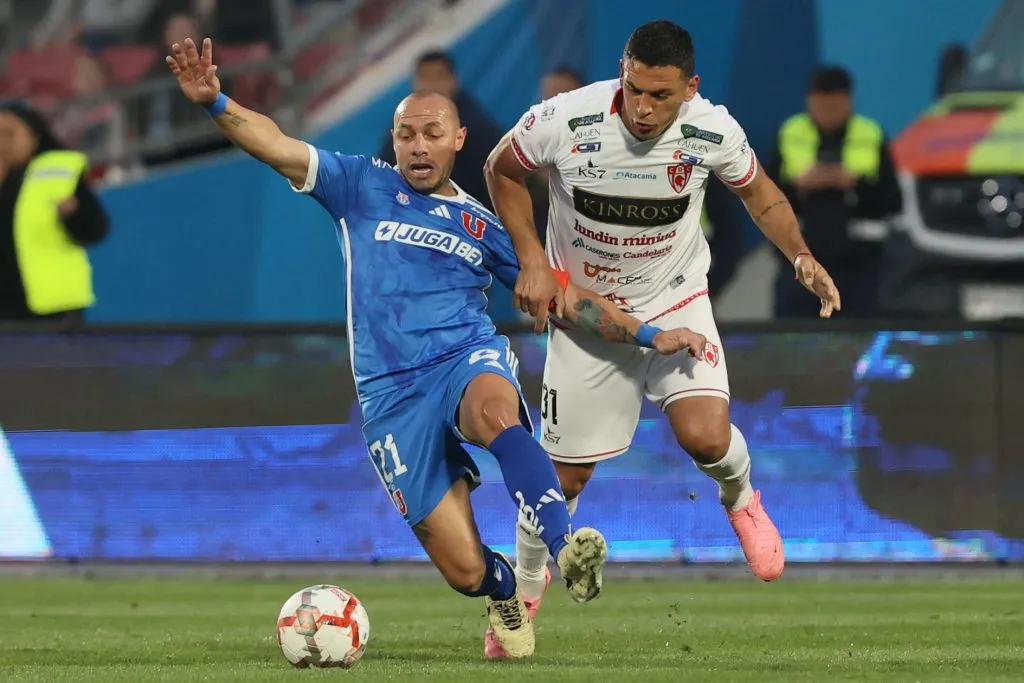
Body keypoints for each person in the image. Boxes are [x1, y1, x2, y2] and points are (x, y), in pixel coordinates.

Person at [166, 36, 711, 659]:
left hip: (463, 359)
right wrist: (216, 102)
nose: (418, 146)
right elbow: (277, 145)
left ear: (457, 140)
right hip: (391, 397)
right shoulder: (356, 185)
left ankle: (566, 548)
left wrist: (649, 333)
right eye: (406, 135)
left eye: (432, 133)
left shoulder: (483, 226)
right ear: (394, 141)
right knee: (464, 571)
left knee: (495, 413)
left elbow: (566, 299)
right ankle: (503, 587)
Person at [483, 20, 842, 658]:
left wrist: (800, 255)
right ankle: (523, 601)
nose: (644, 109)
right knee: (561, 482)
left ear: (690, 89)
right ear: (622, 73)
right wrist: (533, 256)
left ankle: (742, 500)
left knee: (705, 434)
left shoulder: (712, 128)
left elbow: (759, 194)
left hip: (675, 296)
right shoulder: (567, 118)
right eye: (635, 90)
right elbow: (500, 168)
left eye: (661, 96)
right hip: (587, 314)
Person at [766, 66, 902, 318]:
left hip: (860, 265)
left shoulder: (870, 134)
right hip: (800, 262)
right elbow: (764, 197)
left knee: (860, 341)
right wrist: (801, 185)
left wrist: (855, 184)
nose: (827, 114)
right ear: (810, 101)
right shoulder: (790, 133)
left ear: (849, 102)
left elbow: (893, 201)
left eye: (835, 106)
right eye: (821, 105)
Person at [0, 103, 109, 323]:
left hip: (53, 308)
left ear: (33, 134)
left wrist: (74, 213)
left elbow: (96, 230)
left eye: (9, 134)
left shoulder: (59, 172)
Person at [376, 50, 502, 210]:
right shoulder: (403, 122)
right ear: (415, 83)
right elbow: (383, 178)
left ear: (454, 80)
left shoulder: (475, 125)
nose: (432, 85)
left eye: (439, 77)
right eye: (426, 78)